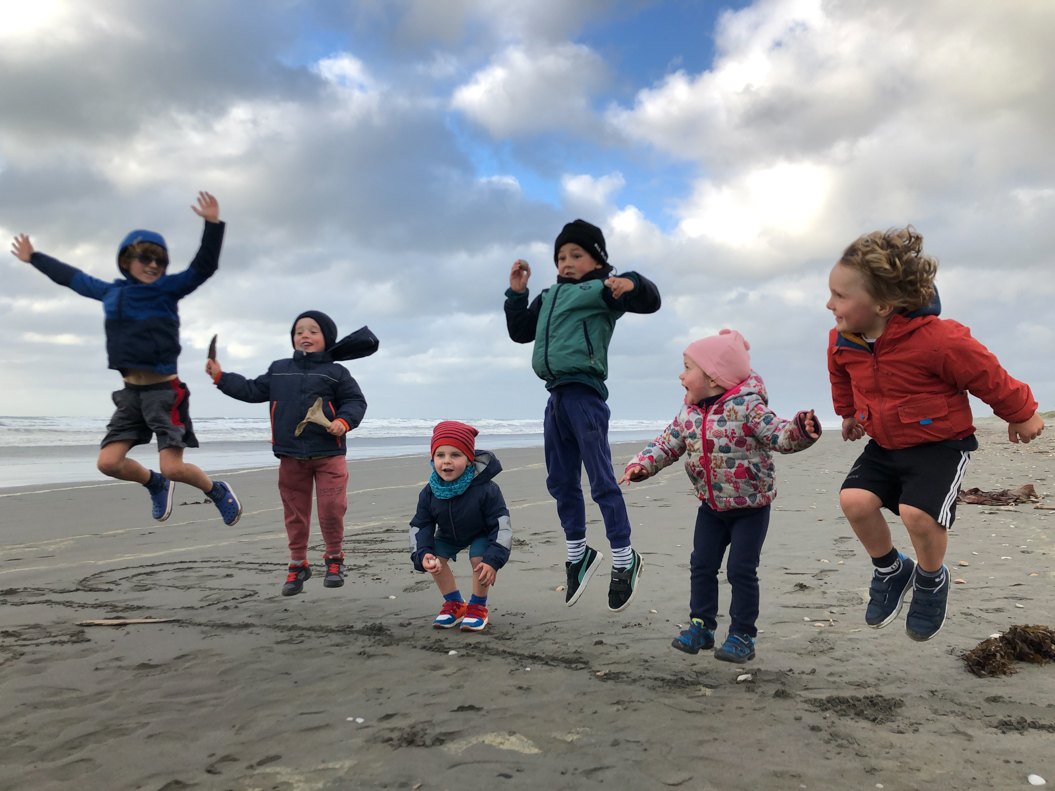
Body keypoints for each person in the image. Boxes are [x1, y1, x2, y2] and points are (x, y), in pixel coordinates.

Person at [827, 226, 1044, 641]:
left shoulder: (939, 339)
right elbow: (840, 374)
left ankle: (930, 579)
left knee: (918, 515)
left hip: (940, 445)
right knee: (854, 501)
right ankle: (891, 570)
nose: (829, 304)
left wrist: (1021, 413)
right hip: (885, 443)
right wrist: (849, 413)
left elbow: (987, 375)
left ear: (883, 304)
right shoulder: (843, 340)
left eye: (840, 295)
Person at [10, 192, 242, 525]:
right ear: (125, 260)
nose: (153, 265)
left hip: (165, 393)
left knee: (174, 467)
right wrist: (35, 257)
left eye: (160, 260)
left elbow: (203, 267)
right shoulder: (110, 293)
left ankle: (216, 490)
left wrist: (213, 225)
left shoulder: (168, 290)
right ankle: (154, 483)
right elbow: (71, 277)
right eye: (145, 257)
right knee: (108, 463)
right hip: (131, 395)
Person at [621, 330, 820, 663]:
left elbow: (779, 435)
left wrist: (800, 430)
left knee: (741, 570)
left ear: (713, 377)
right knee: (701, 565)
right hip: (711, 507)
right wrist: (642, 465)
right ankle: (701, 626)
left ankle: (742, 634)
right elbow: (667, 443)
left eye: (688, 368)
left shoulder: (749, 407)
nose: (681, 376)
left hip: (750, 507)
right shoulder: (688, 413)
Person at [504, 220, 661, 612]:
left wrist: (630, 283)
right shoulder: (548, 296)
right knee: (560, 481)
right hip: (555, 397)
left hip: (586, 397)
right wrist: (517, 294)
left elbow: (650, 300)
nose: (567, 262)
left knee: (601, 481)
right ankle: (579, 554)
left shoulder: (602, 290)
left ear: (598, 260)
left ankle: (624, 558)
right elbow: (521, 332)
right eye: (561, 257)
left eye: (577, 255)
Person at [206, 312, 375, 595]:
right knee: (295, 514)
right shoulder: (279, 369)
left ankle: (334, 559)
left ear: (327, 338)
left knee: (332, 509)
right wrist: (221, 377)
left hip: (329, 454)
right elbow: (251, 390)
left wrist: (343, 421)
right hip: (290, 455)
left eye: (313, 331)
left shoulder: (336, 372)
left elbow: (355, 401)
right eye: (299, 331)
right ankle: (298, 564)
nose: (305, 335)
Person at [409, 421, 512, 632]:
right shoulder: (429, 492)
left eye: (455, 455)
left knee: (478, 559)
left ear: (469, 459)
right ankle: (455, 603)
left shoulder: (487, 489)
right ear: (433, 460)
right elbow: (420, 525)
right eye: (440, 455)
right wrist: (422, 553)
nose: (447, 461)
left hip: (481, 533)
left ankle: (478, 607)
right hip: (448, 535)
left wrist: (493, 560)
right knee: (434, 558)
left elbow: (502, 526)